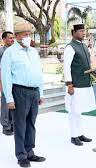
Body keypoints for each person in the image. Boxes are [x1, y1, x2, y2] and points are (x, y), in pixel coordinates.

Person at [1, 23, 45, 167]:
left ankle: (30, 152)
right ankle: (21, 156)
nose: (28, 37)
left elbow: (39, 73)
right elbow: (6, 76)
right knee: (20, 125)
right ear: (17, 36)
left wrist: (41, 93)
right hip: (19, 92)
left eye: (29, 34)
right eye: (26, 34)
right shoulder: (10, 52)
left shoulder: (33, 51)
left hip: (34, 92)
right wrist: (9, 98)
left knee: (31, 123)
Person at [64, 24, 96, 145]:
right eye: (81, 31)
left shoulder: (83, 45)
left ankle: (80, 133)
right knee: (73, 111)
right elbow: (66, 67)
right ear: (74, 32)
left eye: (84, 31)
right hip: (75, 85)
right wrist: (69, 84)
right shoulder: (70, 47)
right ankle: (74, 136)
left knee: (79, 110)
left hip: (85, 83)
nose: (83, 33)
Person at [0, 31, 14, 136]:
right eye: (9, 38)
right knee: (5, 105)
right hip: (5, 81)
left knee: (13, 104)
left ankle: (13, 124)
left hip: (15, 82)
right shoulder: (2, 51)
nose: (12, 39)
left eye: (12, 38)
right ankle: (6, 126)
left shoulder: (15, 51)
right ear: (4, 39)